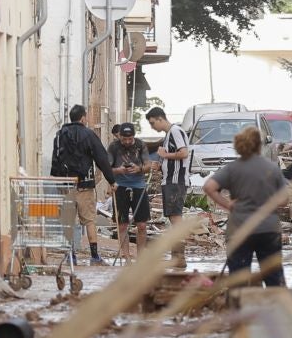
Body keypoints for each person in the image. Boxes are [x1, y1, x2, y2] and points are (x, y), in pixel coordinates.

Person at [203, 126, 292, 287]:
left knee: (239, 279)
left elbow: (209, 187)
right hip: (268, 229)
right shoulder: (271, 168)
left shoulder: (232, 168)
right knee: (274, 277)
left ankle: (241, 308)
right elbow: (284, 200)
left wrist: (228, 204)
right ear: (259, 145)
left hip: (239, 228)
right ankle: (277, 309)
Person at [49, 104, 116, 265]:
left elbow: (55, 160)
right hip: (85, 185)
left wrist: (58, 181)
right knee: (89, 220)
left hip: (65, 185)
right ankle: (94, 257)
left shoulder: (60, 135)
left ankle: (71, 256)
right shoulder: (89, 135)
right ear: (83, 118)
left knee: (68, 221)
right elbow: (101, 158)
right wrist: (111, 180)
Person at [147, 106, 192, 267]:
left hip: (176, 181)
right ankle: (177, 256)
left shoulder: (175, 131)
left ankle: (179, 256)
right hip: (170, 180)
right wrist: (161, 165)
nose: (152, 127)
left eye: (153, 123)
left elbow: (184, 153)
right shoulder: (169, 135)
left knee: (175, 217)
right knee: (173, 217)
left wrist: (165, 155)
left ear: (160, 119)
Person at [109, 121, 153, 258]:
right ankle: (126, 256)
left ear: (134, 136)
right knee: (122, 225)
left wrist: (139, 169)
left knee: (141, 225)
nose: (127, 141)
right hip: (120, 187)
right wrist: (119, 170)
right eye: (124, 139)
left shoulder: (140, 145)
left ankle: (140, 258)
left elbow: (148, 165)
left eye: (130, 138)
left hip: (139, 186)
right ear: (119, 136)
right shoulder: (113, 147)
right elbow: (106, 168)